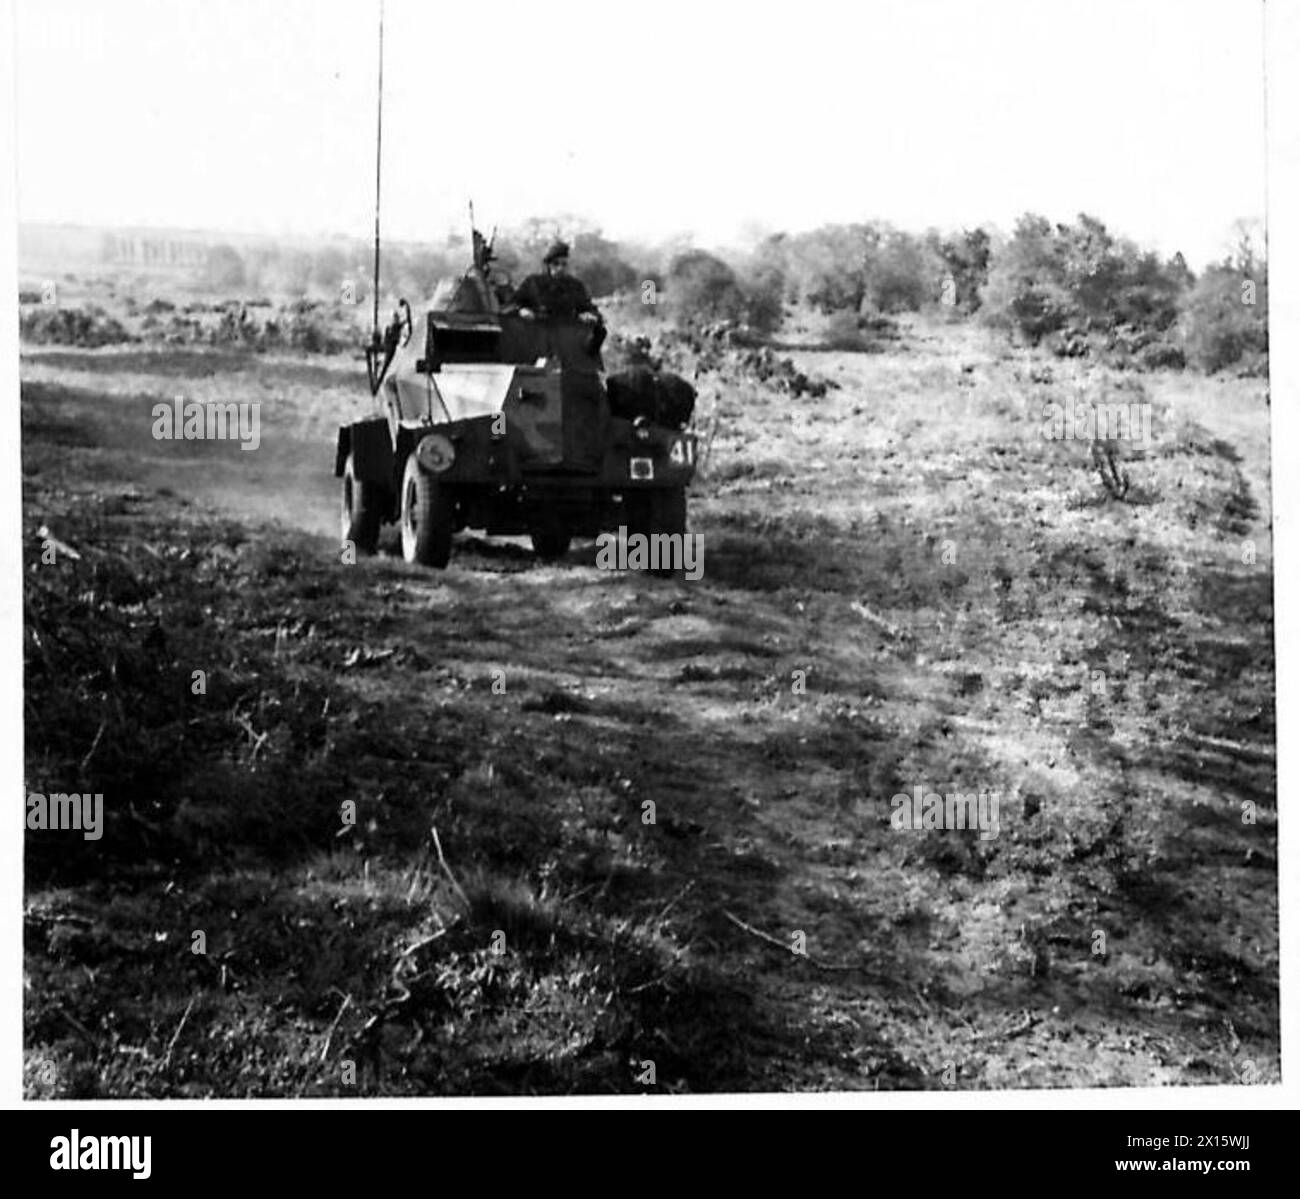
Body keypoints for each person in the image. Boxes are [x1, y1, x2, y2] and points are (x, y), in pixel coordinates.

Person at [512, 240, 602, 325]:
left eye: (564, 264)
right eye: (556, 263)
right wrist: (522, 310)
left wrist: (588, 315)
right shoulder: (532, 282)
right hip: (537, 334)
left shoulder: (575, 286)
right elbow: (512, 303)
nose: (560, 268)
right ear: (548, 264)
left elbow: (590, 309)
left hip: (565, 335)